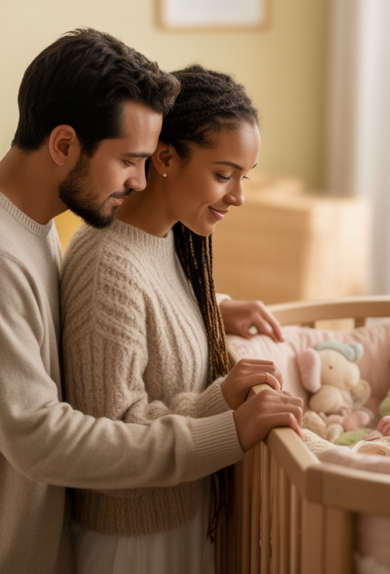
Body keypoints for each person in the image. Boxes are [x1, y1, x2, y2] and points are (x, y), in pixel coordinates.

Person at [0, 29, 302, 574]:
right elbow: (42, 438)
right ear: (64, 145)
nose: (139, 180)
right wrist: (225, 433)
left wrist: (205, 310)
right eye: (131, 160)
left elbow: (65, 324)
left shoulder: (27, 219)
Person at [60, 64, 283, 574]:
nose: (238, 196)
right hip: (134, 538)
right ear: (164, 157)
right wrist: (222, 402)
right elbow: (111, 435)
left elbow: (151, 308)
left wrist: (216, 309)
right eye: (224, 175)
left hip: (180, 511)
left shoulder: (170, 238)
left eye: (243, 177)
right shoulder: (105, 266)